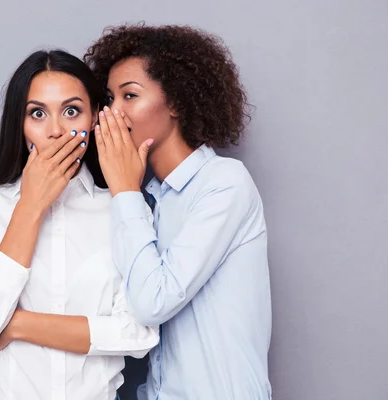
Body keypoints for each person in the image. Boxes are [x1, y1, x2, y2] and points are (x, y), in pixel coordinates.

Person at [0, 49, 159, 400]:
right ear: (20, 122)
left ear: (93, 119)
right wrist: (31, 206)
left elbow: (139, 333)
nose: (56, 131)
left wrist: (16, 326)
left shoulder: (123, 207)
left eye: (71, 111)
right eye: (38, 113)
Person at [84, 24, 272, 400]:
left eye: (129, 96)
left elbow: (154, 301)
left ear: (175, 103)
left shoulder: (224, 183)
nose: (112, 114)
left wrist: (124, 190)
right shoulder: (148, 201)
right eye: (109, 98)